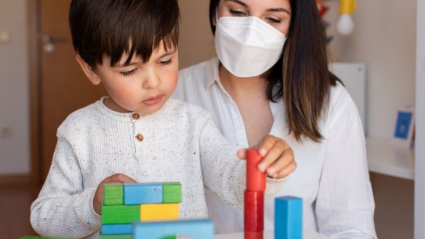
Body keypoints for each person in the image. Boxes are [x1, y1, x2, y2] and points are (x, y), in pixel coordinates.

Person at [29, 0, 297, 238]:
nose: (153, 82)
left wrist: (263, 167)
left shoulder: (193, 122)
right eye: (130, 70)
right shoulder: (78, 131)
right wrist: (93, 205)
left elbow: (233, 182)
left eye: (165, 60)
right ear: (90, 68)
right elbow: (44, 217)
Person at [174, 0, 377, 238]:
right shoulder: (175, 94)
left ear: (293, 27)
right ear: (215, 14)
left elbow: (351, 228)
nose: (251, 32)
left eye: (273, 19)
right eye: (238, 12)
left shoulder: (331, 103)